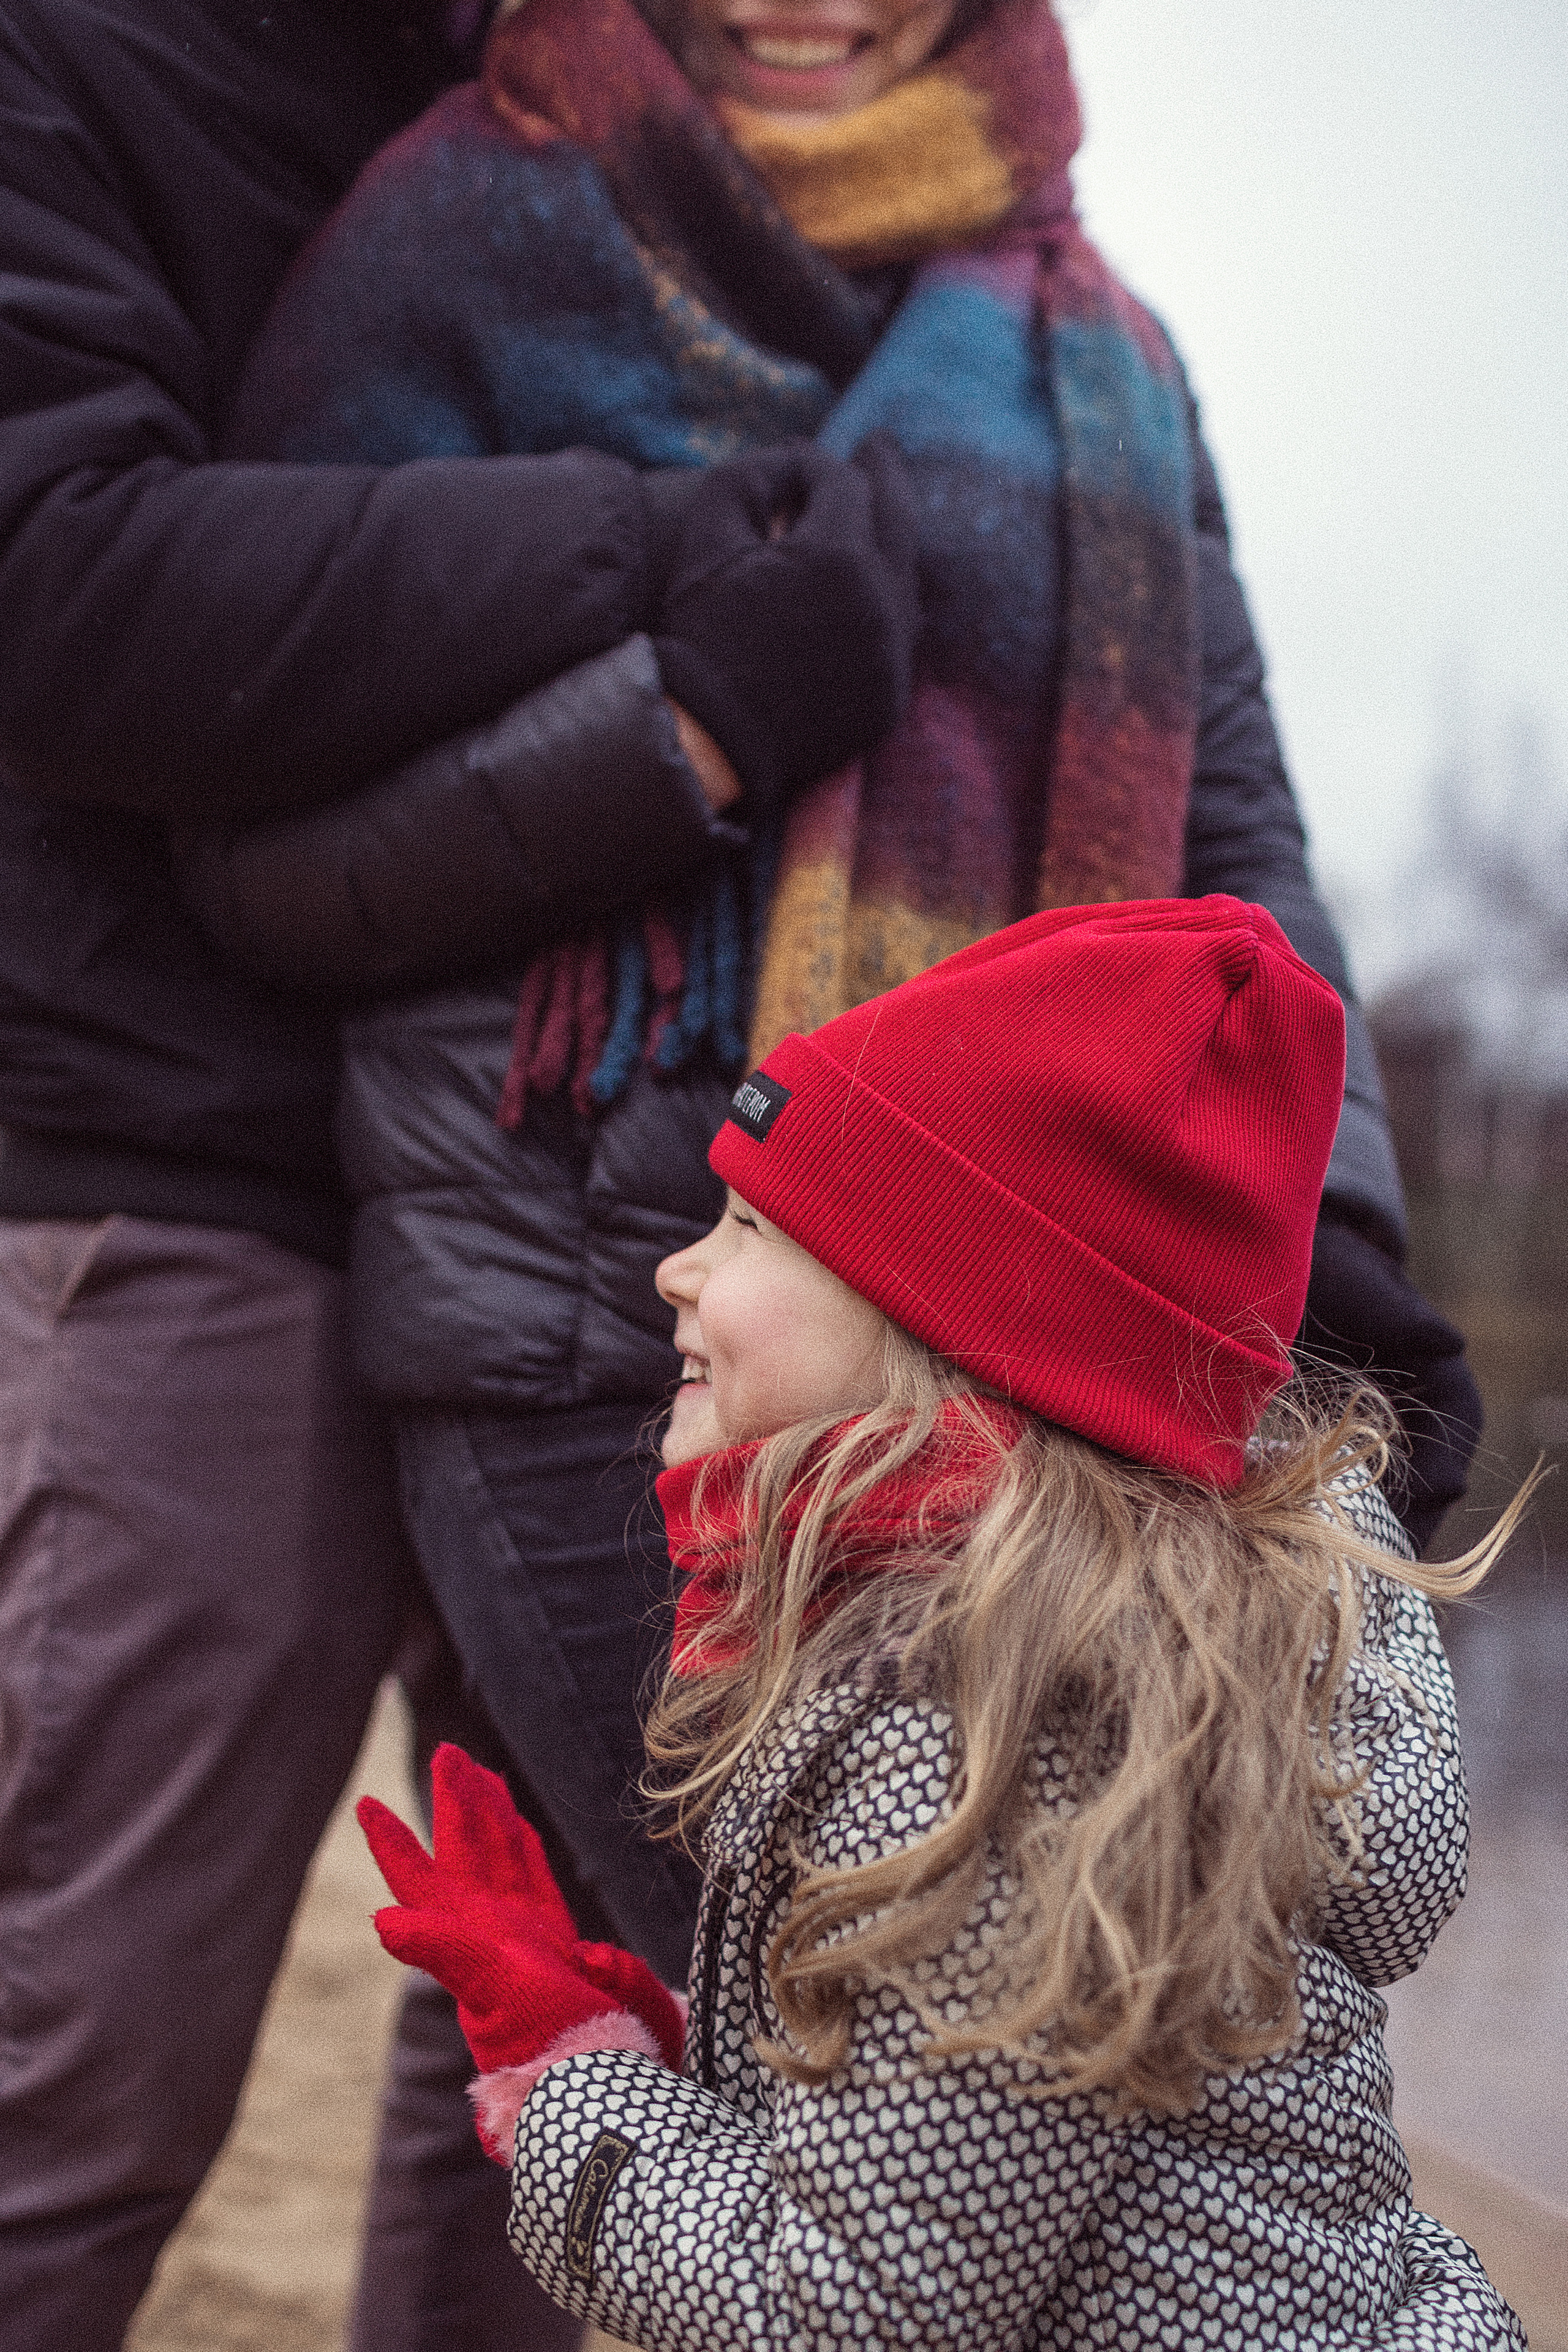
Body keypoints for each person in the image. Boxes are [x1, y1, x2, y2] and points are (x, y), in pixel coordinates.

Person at [0, 1, 918, 2345]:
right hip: (190, 1173)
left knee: (546, 2034)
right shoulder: (69, 60)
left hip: (576, 1206)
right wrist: (658, 571)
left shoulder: (609, 94)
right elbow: (58, 589)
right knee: (89, 2067)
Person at [358, 896, 1525, 2351]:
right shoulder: (1088, 1649)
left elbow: (859, 2307)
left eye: (748, 1225)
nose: (678, 1268)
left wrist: (565, 2089)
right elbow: (965, 2166)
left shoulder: (994, 1717)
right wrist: (676, 2074)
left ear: (941, 1327)